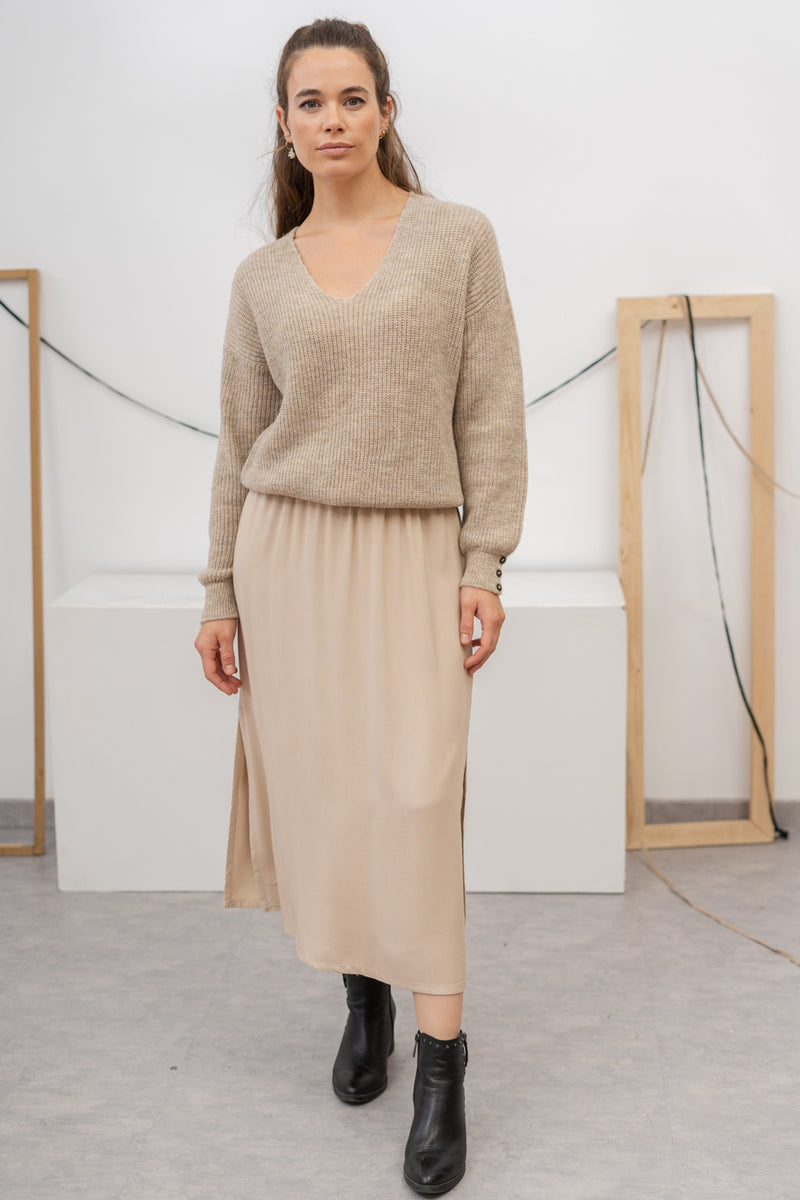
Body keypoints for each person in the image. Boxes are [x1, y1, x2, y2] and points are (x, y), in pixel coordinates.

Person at [194, 17, 527, 1196]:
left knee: (417, 802)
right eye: (309, 102)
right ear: (282, 125)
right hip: (286, 556)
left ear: (385, 110)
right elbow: (239, 441)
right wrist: (219, 589)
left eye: (351, 97)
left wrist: (482, 566)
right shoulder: (262, 277)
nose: (331, 119)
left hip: (412, 552)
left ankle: (442, 1066)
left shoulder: (455, 239)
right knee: (331, 799)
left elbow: (490, 409)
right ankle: (363, 999)